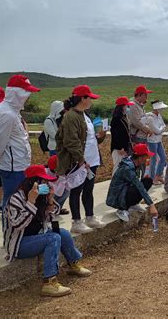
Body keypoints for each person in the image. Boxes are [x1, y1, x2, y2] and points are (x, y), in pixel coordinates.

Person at [3, 165, 91, 297]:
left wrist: (50, 201)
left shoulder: (41, 197)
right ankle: (49, 282)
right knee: (53, 238)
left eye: (46, 181)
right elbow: (18, 224)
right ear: (32, 182)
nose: (46, 184)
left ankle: (74, 263)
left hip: (38, 236)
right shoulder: (16, 199)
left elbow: (51, 216)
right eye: (43, 181)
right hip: (19, 243)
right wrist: (31, 202)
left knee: (63, 233)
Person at [55, 85, 106, 234]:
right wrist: (81, 160)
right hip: (79, 162)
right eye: (90, 98)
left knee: (89, 190)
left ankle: (90, 217)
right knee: (76, 191)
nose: (91, 101)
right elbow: (71, 141)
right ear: (83, 99)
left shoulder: (85, 115)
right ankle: (76, 222)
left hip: (91, 160)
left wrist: (99, 138)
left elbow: (87, 138)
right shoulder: (71, 116)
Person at [0, 75, 40, 214]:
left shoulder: (13, 111)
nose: (28, 96)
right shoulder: (7, 113)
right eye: (26, 92)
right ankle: (9, 232)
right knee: (11, 202)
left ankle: (13, 231)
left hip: (18, 165)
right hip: (12, 168)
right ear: (17, 93)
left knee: (16, 201)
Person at [106, 144, 158, 222]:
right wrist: (151, 205)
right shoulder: (128, 168)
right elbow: (139, 186)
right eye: (146, 156)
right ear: (140, 157)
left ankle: (132, 204)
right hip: (117, 198)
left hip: (124, 190)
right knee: (139, 187)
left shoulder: (134, 163)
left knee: (147, 181)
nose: (147, 158)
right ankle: (122, 209)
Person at [146, 100, 168, 184]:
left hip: (158, 140)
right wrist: (161, 129)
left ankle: (158, 175)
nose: (162, 110)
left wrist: (160, 129)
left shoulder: (159, 116)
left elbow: (162, 127)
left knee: (163, 157)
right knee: (153, 159)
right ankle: (152, 178)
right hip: (152, 141)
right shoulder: (150, 118)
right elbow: (158, 130)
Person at [110, 96, 134, 175]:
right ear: (122, 107)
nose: (128, 108)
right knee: (118, 167)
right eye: (127, 106)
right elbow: (116, 135)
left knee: (123, 168)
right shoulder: (116, 119)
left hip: (124, 147)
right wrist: (120, 148)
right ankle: (114, 184)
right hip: (118, 149)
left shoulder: (124, 117)